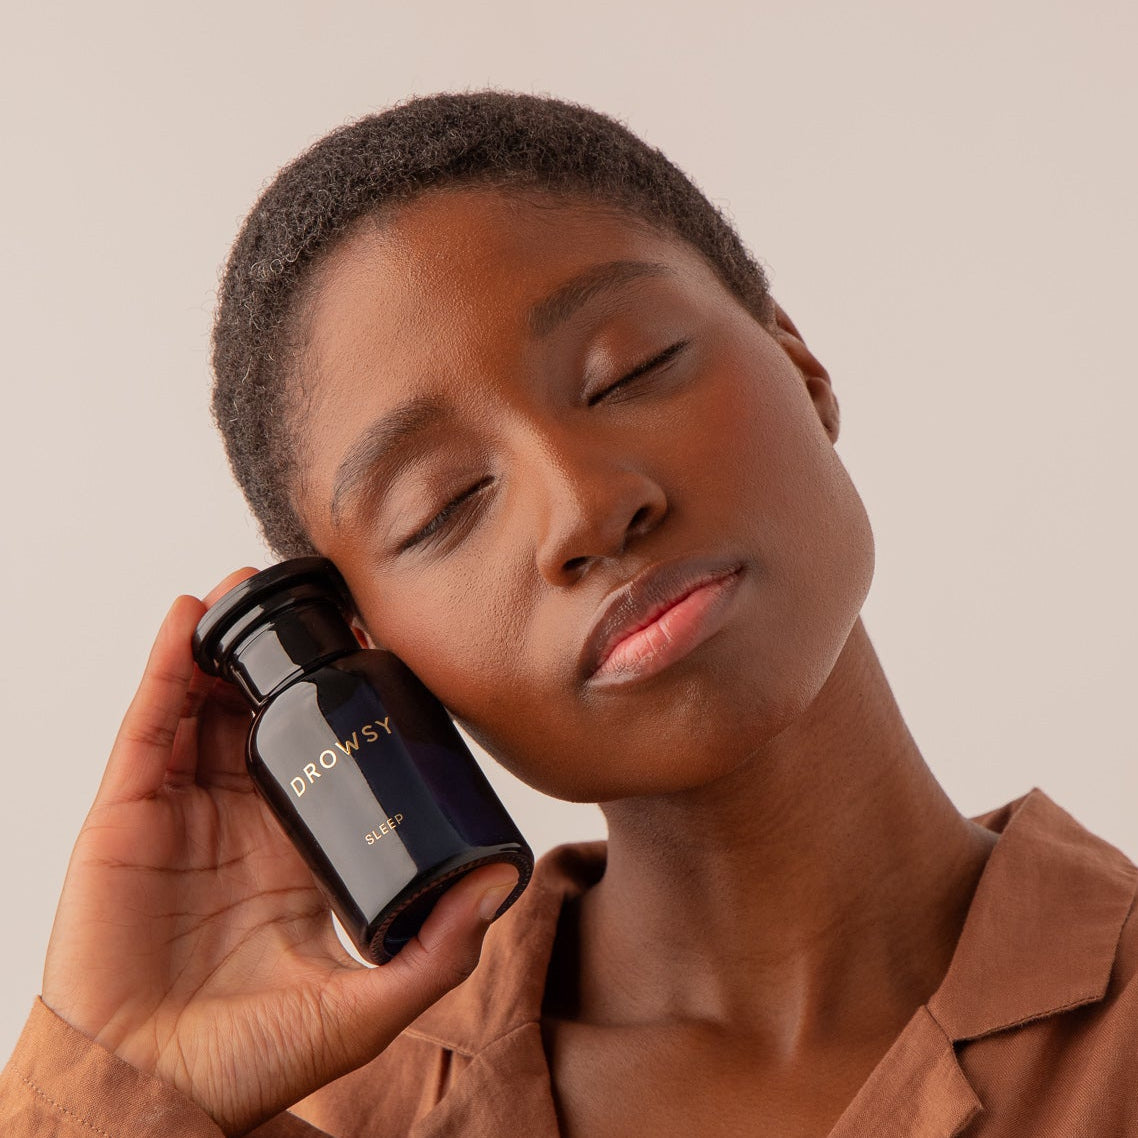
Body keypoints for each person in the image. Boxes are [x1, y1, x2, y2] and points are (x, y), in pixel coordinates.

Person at [2, 90, 1136, 1138]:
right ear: (375, 652)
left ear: (798, 359)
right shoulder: (335, 1115)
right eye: (444, 505)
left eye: (626, 371)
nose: (587, 507)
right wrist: (117, 1078)